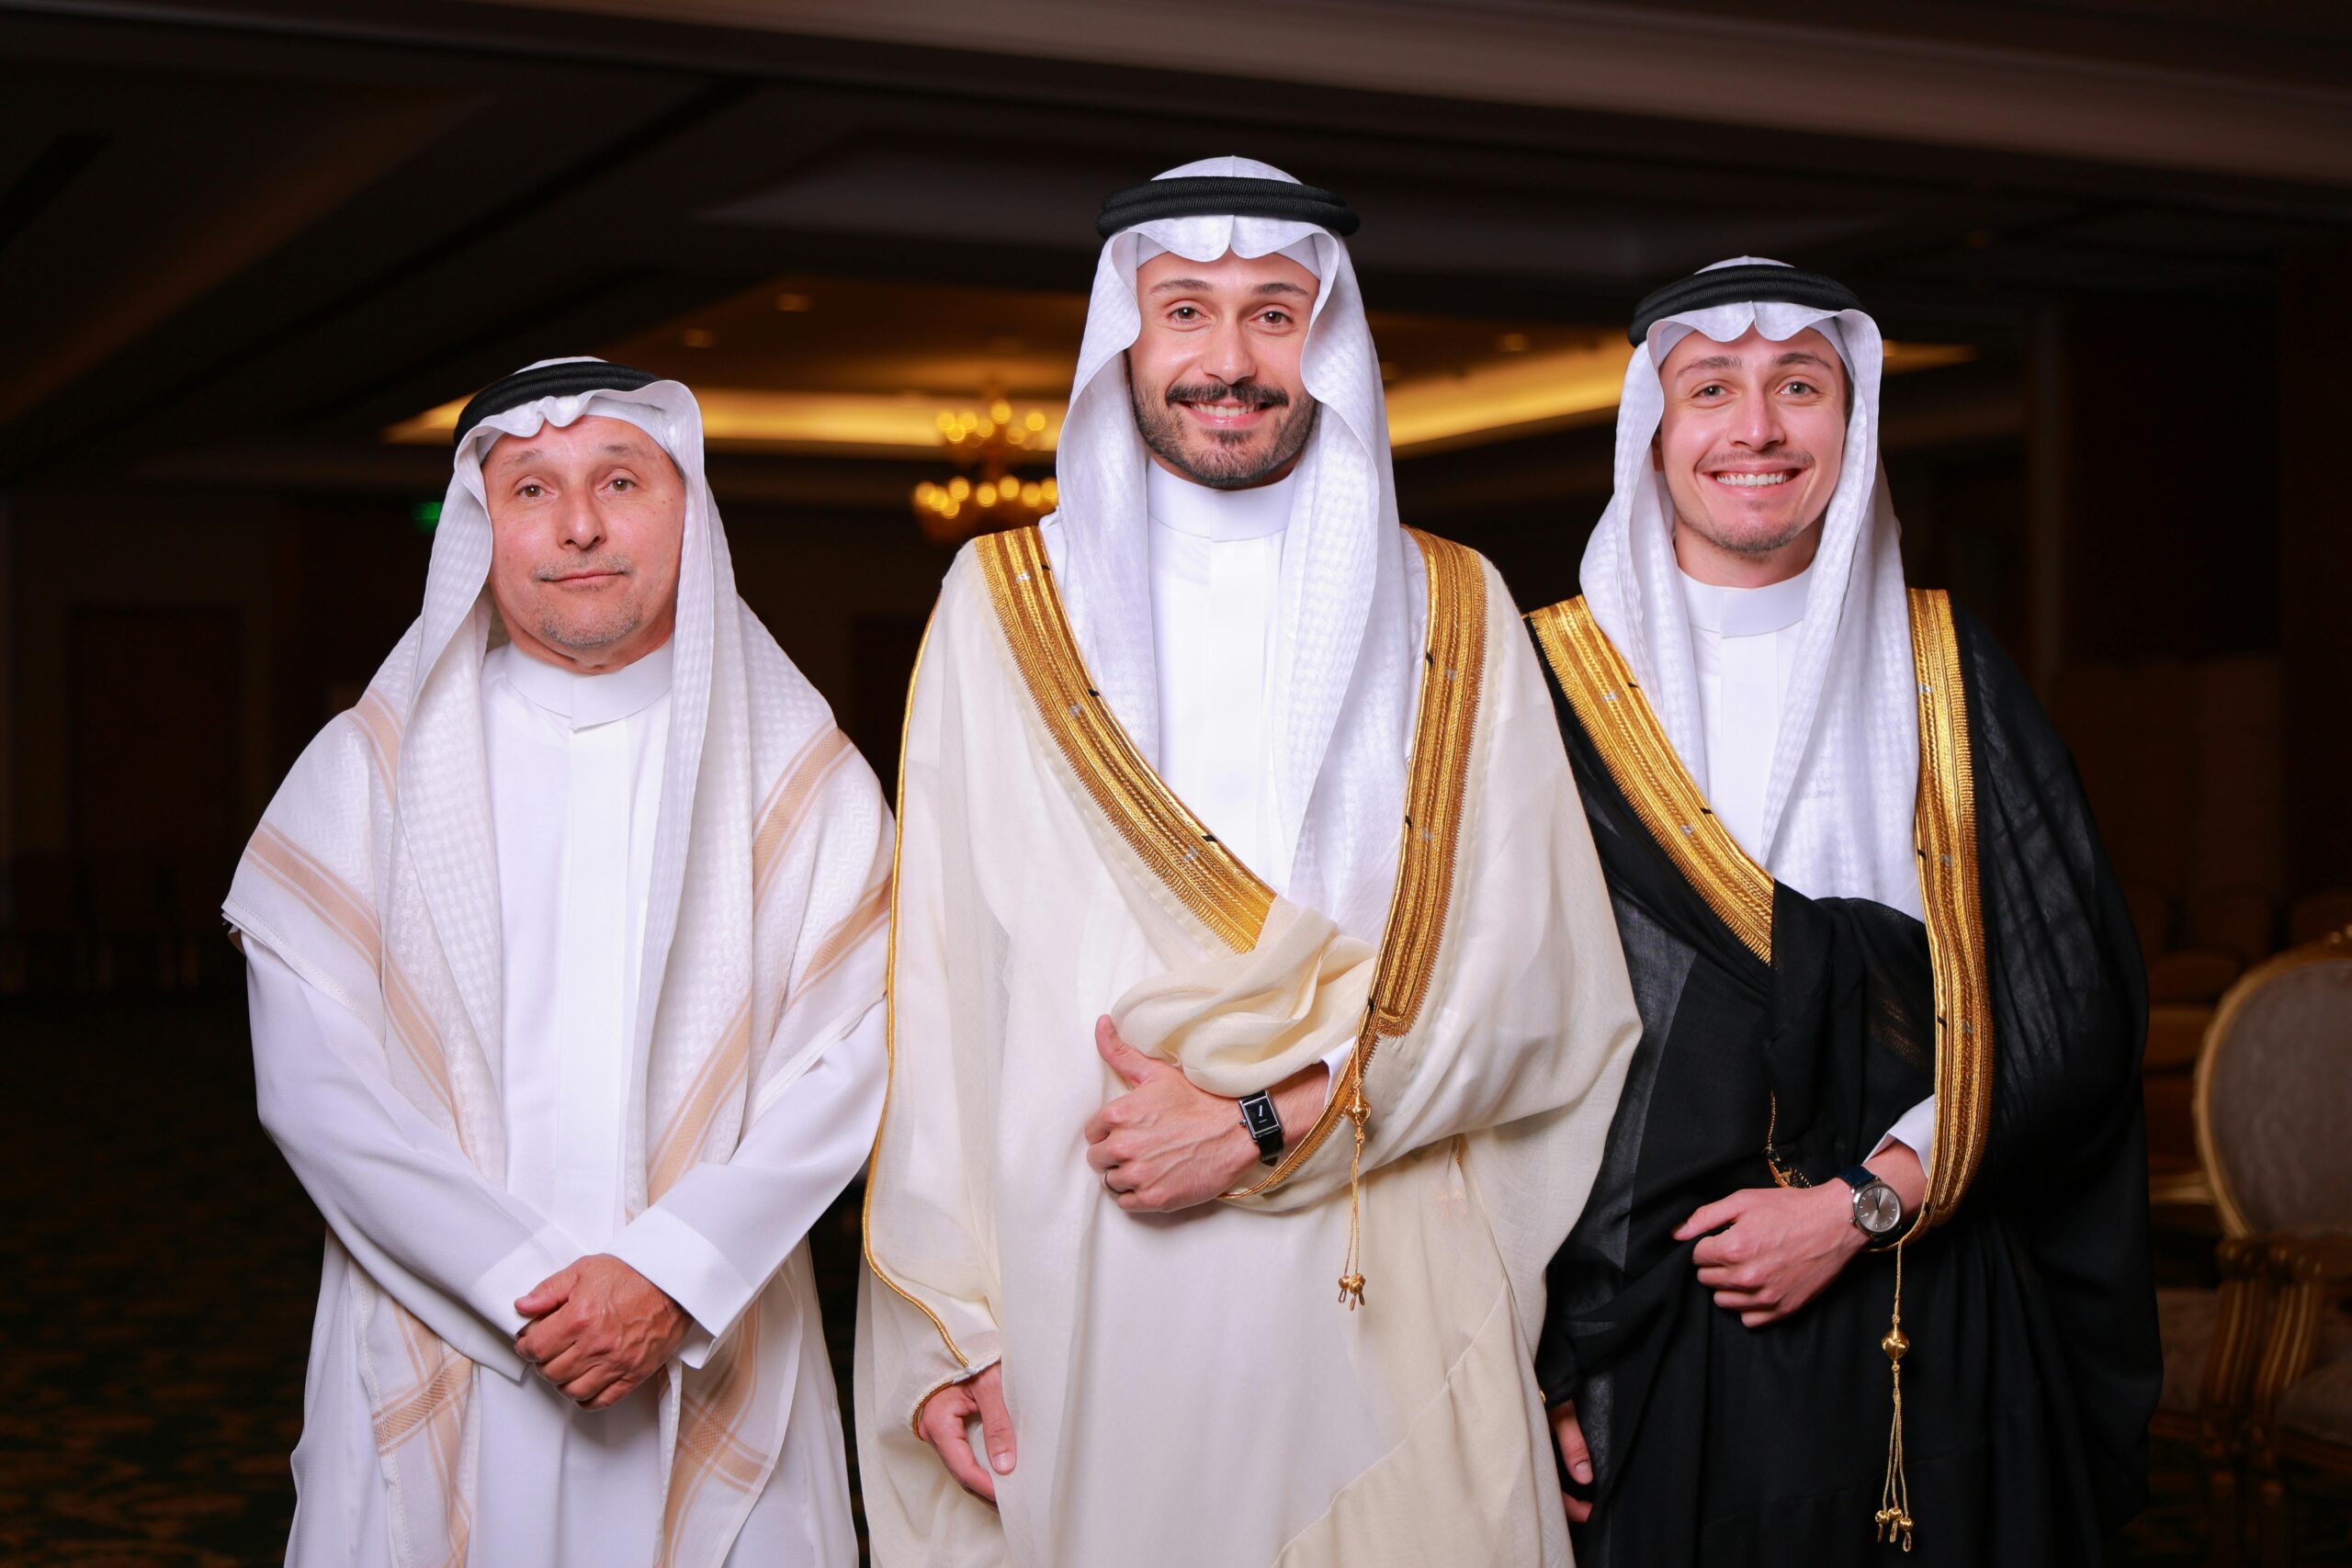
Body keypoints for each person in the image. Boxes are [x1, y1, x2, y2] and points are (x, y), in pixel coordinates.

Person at [854, 157, 1641, 1568]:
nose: (1229, 359)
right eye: (1186, 313)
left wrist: (1261, 1124)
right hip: (1087, 1274)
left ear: (1329, 337)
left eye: (1274, 314)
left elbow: (1537, 986)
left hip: (1376, 1256)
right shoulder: (999, 606)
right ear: (1126, 341)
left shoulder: (1454, 610)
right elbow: (940, 989)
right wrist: (946, 1329)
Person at [1524, 260, 2160, 1563]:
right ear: (1655, 424)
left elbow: (2067, 1007)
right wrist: (1530, 1363)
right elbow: (1494, 1040)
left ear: (1851, 420)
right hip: (1641, 1320)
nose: (1756, 428)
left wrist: (1863, 1204)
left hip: (1926, 1298)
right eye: (1714, 389)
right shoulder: (1545, 691)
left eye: (1798, 387)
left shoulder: (1943, 666)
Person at [226, 358, 891, 1566]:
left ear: (686, 509)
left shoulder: (805, 779)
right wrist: (529, 1285)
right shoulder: (362, 776)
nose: (578, 524)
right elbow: (316, 1089)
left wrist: (672, 1276)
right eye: (533, 488)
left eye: (620, 480)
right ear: (485, 526)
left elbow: (856, 1063)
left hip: (712, 1336)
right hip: (442, 1327)